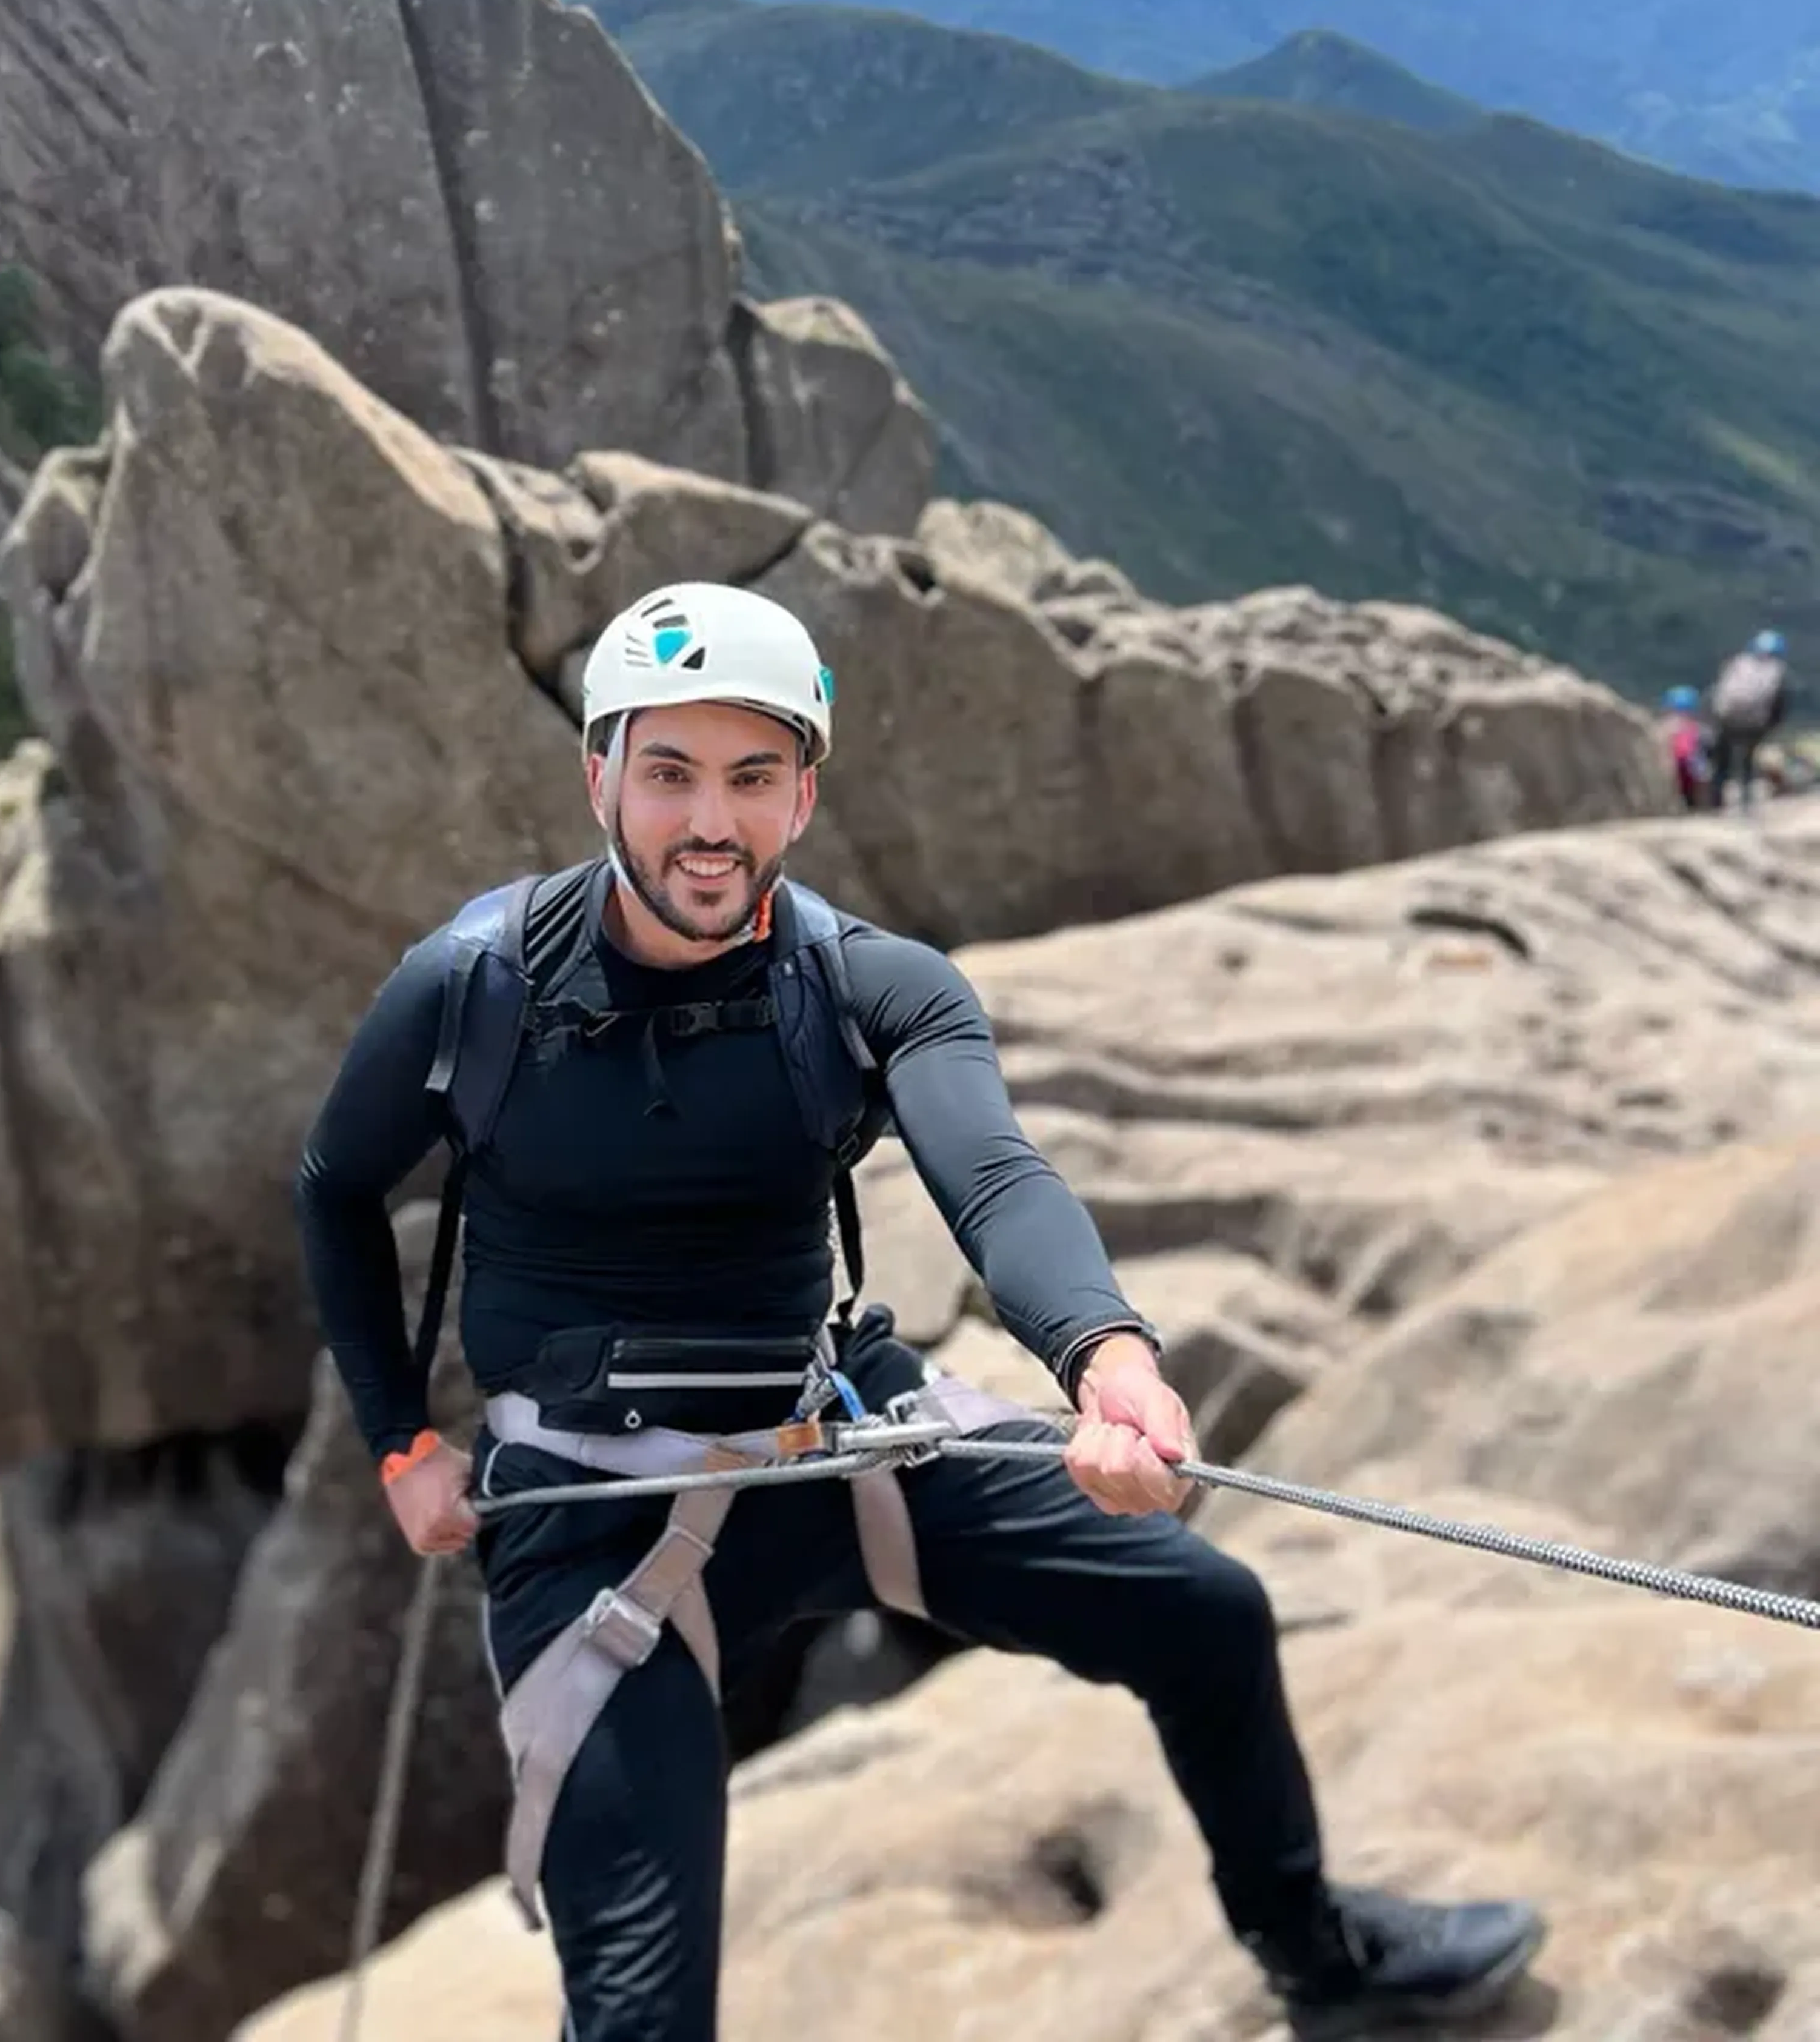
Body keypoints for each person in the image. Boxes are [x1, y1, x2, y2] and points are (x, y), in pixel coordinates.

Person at [296, 580, 1548, 2042]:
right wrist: (398, 1444)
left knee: (1205, 1610)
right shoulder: (472, 985)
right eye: (669, 773)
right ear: (599, 777)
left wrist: (1107, 1356)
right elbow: (332, 1186)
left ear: (804, 797)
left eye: (751, 776)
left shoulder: (869, 986)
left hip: (826, 1444)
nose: (709, 821)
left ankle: (1316, 1956)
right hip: (587, 1505)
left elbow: (993, 1175)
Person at [1707, 630, 1793, 812]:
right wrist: (1770, 726)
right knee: (1746, 762)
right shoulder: (1777, 671)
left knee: (1722, 762)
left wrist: (1715, 716)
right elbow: (1779, 705)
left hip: (1727, 719)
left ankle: (1714, 803)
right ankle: (1746, 804)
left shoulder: (1738, 664)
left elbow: (1719, 692)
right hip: (1754, 724)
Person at [1664, 684, 1715, 812]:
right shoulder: (1697, 728)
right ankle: (1704, 807)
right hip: (1693, 768)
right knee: (1704, 775)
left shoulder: (1666, 726)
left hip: (1673, 767)